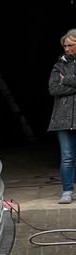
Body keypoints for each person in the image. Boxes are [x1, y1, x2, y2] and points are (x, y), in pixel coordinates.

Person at [48, 30, 76, 203]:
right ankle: (67, 191)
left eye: (70, 45)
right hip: (62, 118)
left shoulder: (63, 72)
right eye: (65, 45)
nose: (66, 48)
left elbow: (61, 85)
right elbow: (53, 89)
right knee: (67, 157)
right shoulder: (59, 65)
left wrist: (65, 80)